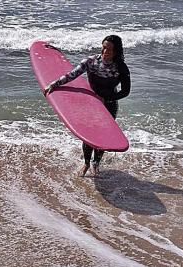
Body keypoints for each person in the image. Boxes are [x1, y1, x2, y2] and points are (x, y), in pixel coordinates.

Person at [44, 34, 131, 176]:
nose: (104, 52)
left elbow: (125, 91)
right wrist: (54, 84)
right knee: (89, 135)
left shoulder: (121, 68)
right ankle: (86, 163)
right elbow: (72, 75)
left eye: (109, 50)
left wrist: (106, 98)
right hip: (91, 105)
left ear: (116, 51)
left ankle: (96, 164)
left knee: (101, 137)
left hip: (109, 105)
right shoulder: (91, 62)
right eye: (103, 48)